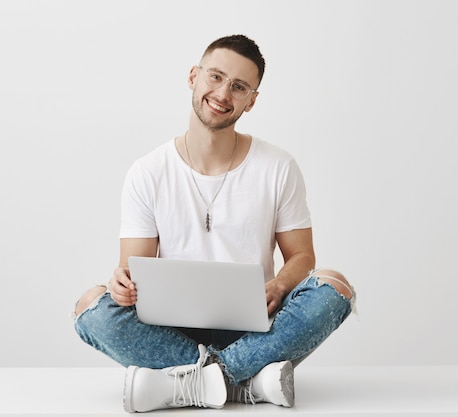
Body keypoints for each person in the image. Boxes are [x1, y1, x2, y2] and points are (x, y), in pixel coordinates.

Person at [72, 34, 356, 413]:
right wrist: (121, 285)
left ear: (251, 100)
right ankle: (245, 383)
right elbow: (132, 269)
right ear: (193, 76)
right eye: (216, 77)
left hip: (256, 328)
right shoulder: (147, 172)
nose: (223, 93)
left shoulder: (278, 166)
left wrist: (281, 284)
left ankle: (186, 383)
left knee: (335, 287)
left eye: (239, 87)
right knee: (90, 306)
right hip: (169, 332)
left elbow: (302, 256)